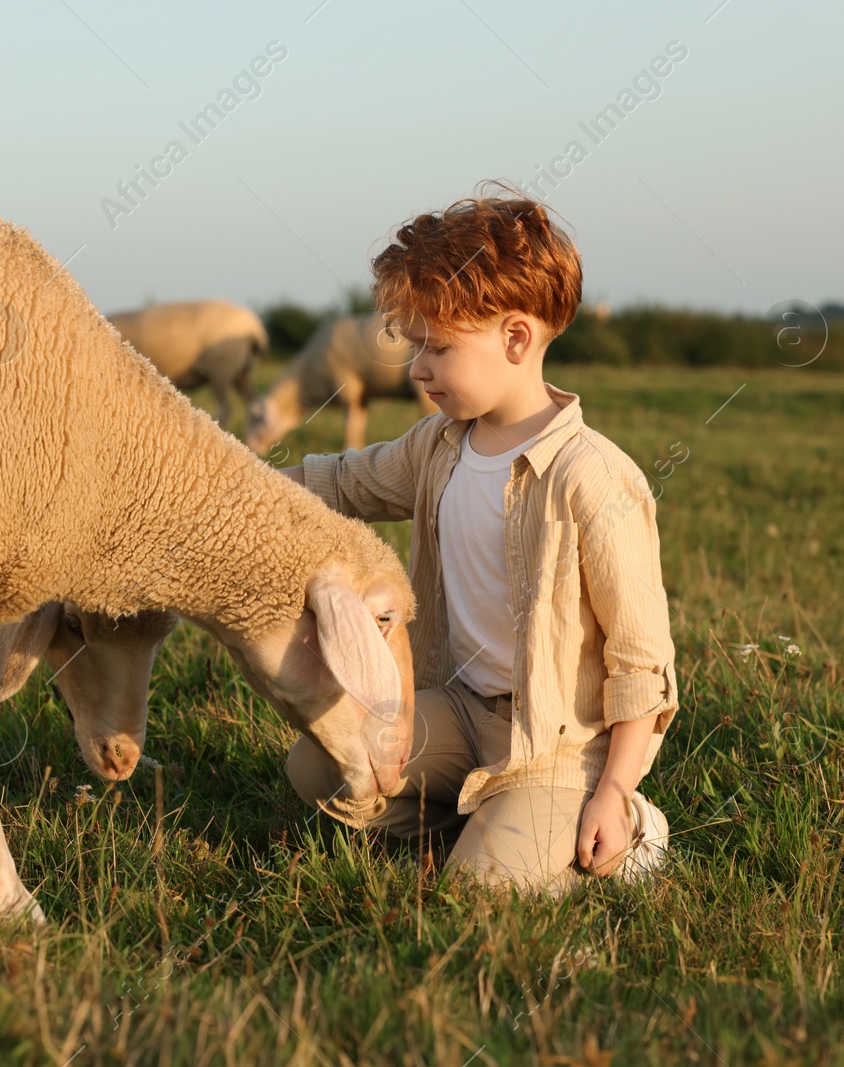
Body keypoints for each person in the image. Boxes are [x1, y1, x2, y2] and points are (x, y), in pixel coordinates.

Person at [281, 189, 676, 895]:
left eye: (438, 347)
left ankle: (632, 830)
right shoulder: (439, 444)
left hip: (558, 747)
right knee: (317, 767)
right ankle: (490, 818)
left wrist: (613, 790)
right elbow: (342, 481)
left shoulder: (594, 478)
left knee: (477, 894)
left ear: (516, 338)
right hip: (461, 711)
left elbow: (642, 665)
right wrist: (223, 486)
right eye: (415, 347)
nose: (417, 369)